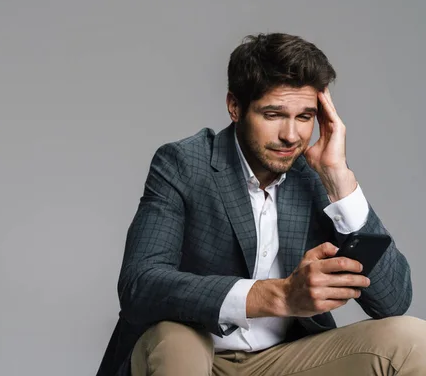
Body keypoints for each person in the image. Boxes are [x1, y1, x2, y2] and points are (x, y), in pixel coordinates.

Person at [96, 32, 424, 376]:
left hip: (284, 359)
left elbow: (392, 302)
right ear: (235, 107)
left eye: (304, 117)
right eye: (273, 114)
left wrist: (339, 180)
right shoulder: (183, 163)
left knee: (413, 340)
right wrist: (278, 296)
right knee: (176, 338)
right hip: (195, 354)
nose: (291, 136)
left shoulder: (313, 176)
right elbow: (141, 284)